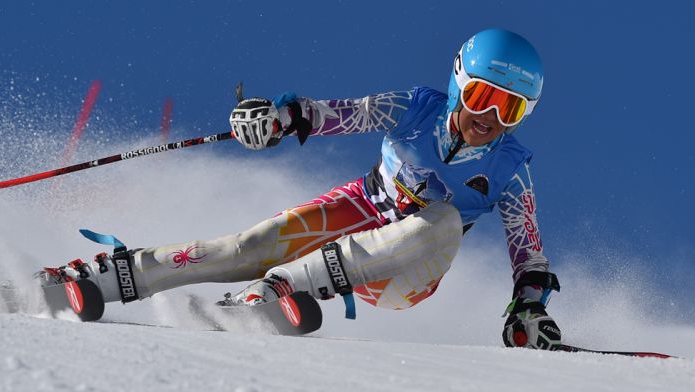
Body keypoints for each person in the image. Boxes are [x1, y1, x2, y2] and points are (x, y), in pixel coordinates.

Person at [40, 28, 562, 350]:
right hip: (361, 207)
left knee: (444, 220)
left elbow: (529, 255)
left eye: (510, 107)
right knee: (249, 246)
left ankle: (281, 286)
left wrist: (528, 311)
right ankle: (107, 276)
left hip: (404, 272)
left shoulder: (510, 169)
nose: (491, 116)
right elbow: (346, 114)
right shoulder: (417, 109)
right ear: (458, 84)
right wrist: (281, 119)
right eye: (483, 96)